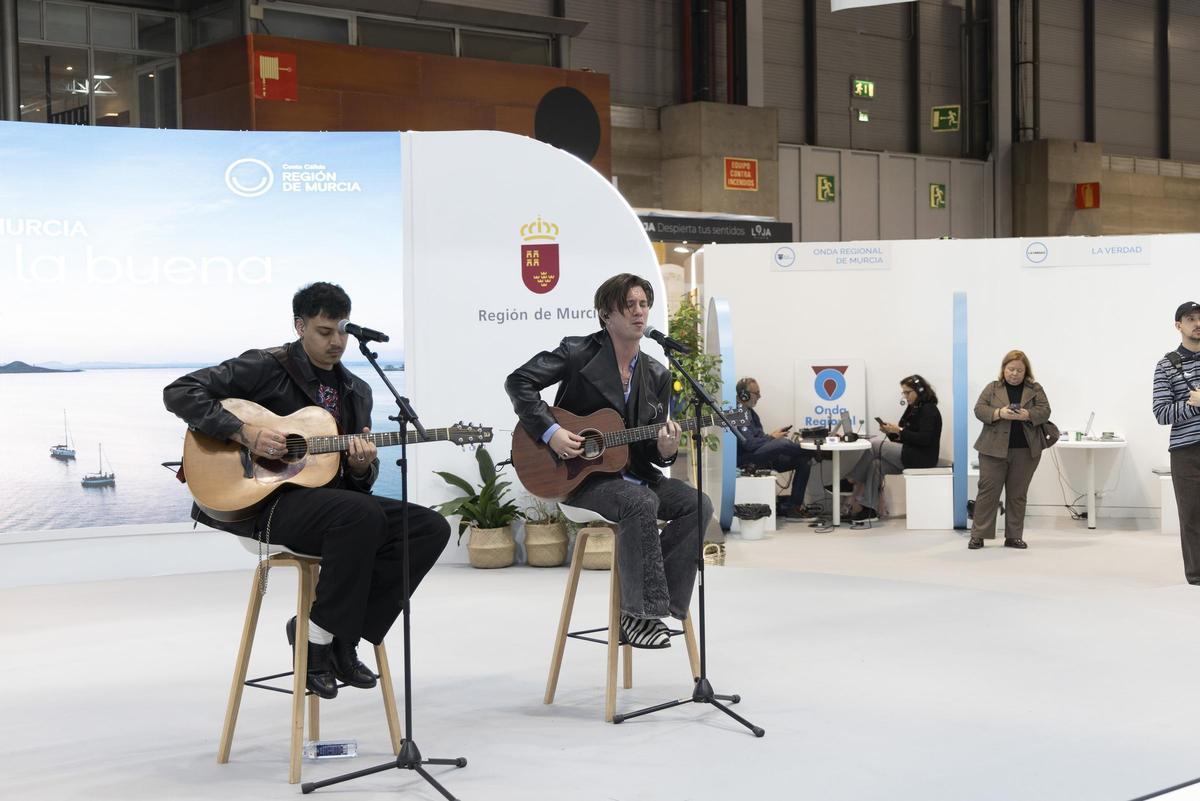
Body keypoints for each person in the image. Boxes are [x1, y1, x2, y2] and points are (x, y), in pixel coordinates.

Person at [163, 282, 450, 698]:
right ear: (300, 326)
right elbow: (179, 392)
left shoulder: (358, 391)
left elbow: (349, 485)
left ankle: (333, 635)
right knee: (359, 515)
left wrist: (361, 465)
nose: (337, 341)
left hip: (323, 506)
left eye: (343, 331)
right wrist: (245, 434)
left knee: (428, 527)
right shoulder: (265, 366)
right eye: (324, 331)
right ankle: (319, 649)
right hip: (259, 503)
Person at [505, 273, 712, 649]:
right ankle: (640, 614)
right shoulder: (576, 352)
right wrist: (552, 432)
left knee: (697, 503)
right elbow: (519, 382)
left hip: (631, 474)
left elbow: (647, 448)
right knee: (640, 502)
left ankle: (651, 609)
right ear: (606, 314)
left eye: (643, 305)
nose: (638, 312)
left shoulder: (657, 374)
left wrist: (665, 450)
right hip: (578, 478)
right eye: (628, 305)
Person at [968, 350, 1052, 550]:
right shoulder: (992, 387)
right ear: (1003, 369)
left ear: (1026, 372)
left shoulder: (1035, 388)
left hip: (1025, 450)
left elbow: (1045, 410)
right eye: (1010, 369)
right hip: (992, 450)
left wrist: (1027, 415)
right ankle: (978, 535)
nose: (1014, 373)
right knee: (987, 493)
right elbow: (979, 409)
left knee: (1017, 494)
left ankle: (1014, 536)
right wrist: (999, 412)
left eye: (1019, 370)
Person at [844, 374, 943, 522]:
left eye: (908, 392)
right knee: (875, 465)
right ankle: (869, 509)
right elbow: (902, 437)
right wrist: (891, 433)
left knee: (874, 446)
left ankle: (850, 481)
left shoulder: (930, 410)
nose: (905, 396)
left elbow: (924, 439)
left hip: (922, 457)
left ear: (920, 391)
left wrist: (899, 431)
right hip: (908, 453)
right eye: (903, 392)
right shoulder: (912, 409)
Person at [1152, 301, 1200, 584]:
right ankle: (1196, 574)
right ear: (1178, 325)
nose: (1197, 323)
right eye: (1190, 319)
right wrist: (1193, 405)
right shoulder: (1167, 365)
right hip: (1185, 450)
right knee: (1192, 514)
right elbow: (1161, 412)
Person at [733, 377, 817, 520]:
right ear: (744, 395)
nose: (759, 396)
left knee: (804, 460)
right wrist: (772, 438)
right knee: (782, 443)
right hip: (746, 458)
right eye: (756, 393)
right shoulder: (738, 413)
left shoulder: (751, 413)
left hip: (759, 455)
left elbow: (757, 438)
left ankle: (794, 507)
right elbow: (748, 444)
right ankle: (817, 451)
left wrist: (771, 435)